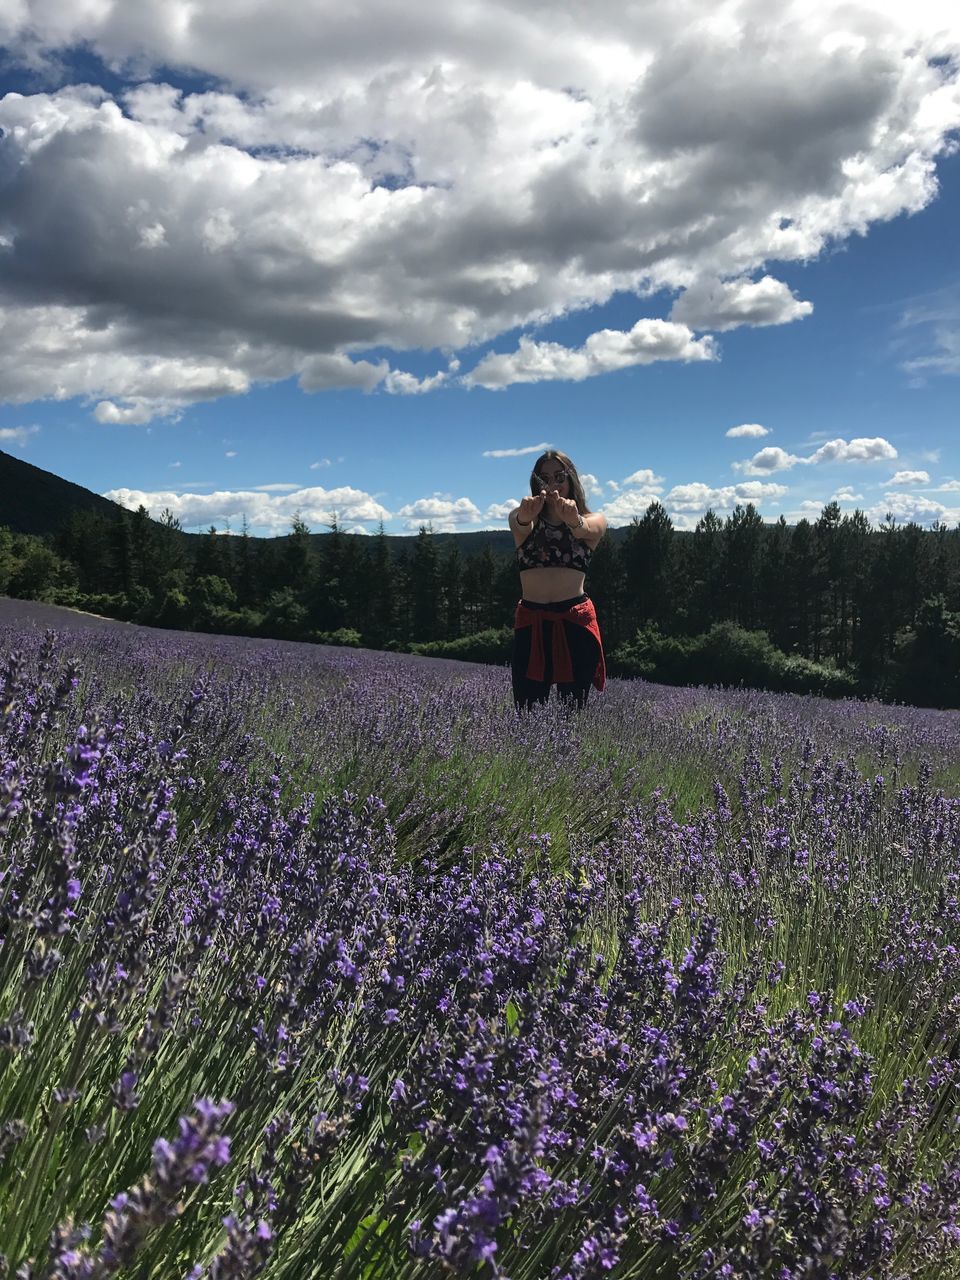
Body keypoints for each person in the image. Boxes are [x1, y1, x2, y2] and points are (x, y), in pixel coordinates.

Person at [509, 450, 607, 711]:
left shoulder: (593, 520)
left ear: (571, 479)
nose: (552, 485)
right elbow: (519, 524)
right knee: (526, 714)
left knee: (572, 714)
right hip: (532, 623)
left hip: (574, 622)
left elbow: (587, 529)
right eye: (544, 479)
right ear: (536, 485)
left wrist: (572, 519)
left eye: (559, 477)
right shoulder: (524, 517)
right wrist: (525, 516)